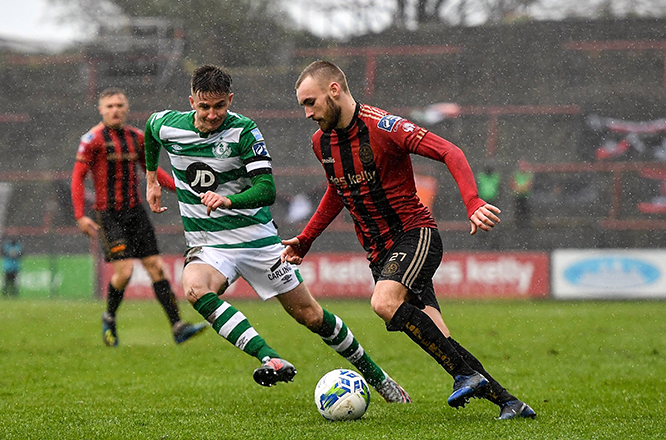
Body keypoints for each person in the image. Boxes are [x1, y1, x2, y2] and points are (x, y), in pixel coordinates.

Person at [284, 60, 536, 420]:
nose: (307, 113)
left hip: (414, 234)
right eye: (303, 105)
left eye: (311, 102)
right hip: (379, 252)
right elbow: (337, 191)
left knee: (384, 302)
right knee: (441, 337)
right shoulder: (321, 143)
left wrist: (473, 201)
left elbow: (450, 151)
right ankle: (511, 403)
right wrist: (306, 239)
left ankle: (465, 375)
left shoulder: (384, 126)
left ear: (334, 91)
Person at [144, 64, 409, 403]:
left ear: (230, 100)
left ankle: (378, 376)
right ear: (191, 101)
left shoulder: (244, 132)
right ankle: (268, 356)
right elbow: (150, 134)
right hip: (208, 243)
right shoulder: (166, 124)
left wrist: (228, 199)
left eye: (220, 106)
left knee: (310, 315)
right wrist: (152, 178)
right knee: (195, 289)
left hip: (257, 239)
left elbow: (267, 190)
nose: (212, 115)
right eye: (204, 106)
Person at [71, 87, 207, 347]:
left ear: (126, 108)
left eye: (119, 105)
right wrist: (79, 215)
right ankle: (109, 318)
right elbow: (78, 177)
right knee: (125, 270)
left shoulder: (137, 137)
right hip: (108, 214)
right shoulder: (92, 139)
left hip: (135, 211)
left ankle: (178, 327)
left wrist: (182, 190)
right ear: (101, 110)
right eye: (109, 106)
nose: (115, 110)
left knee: (156, 267)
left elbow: (152, 171)